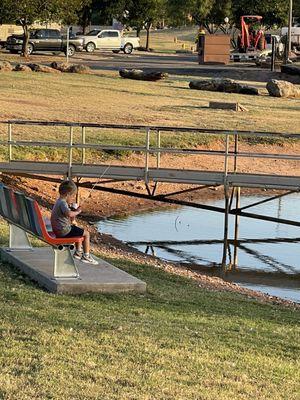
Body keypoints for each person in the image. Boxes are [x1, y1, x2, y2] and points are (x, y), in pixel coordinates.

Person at [51, 180, 98, 265]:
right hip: (64, 231)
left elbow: (66, 215)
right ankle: (86, 256)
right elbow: (69, 213)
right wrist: (78, 212)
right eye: (72, 196)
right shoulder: (63, 203)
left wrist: (74, 213)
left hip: (58, 230)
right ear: (67, 194)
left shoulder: (59, 201)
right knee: (86, 234)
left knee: (78, 230)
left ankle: (78, 252)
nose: (72, 199)